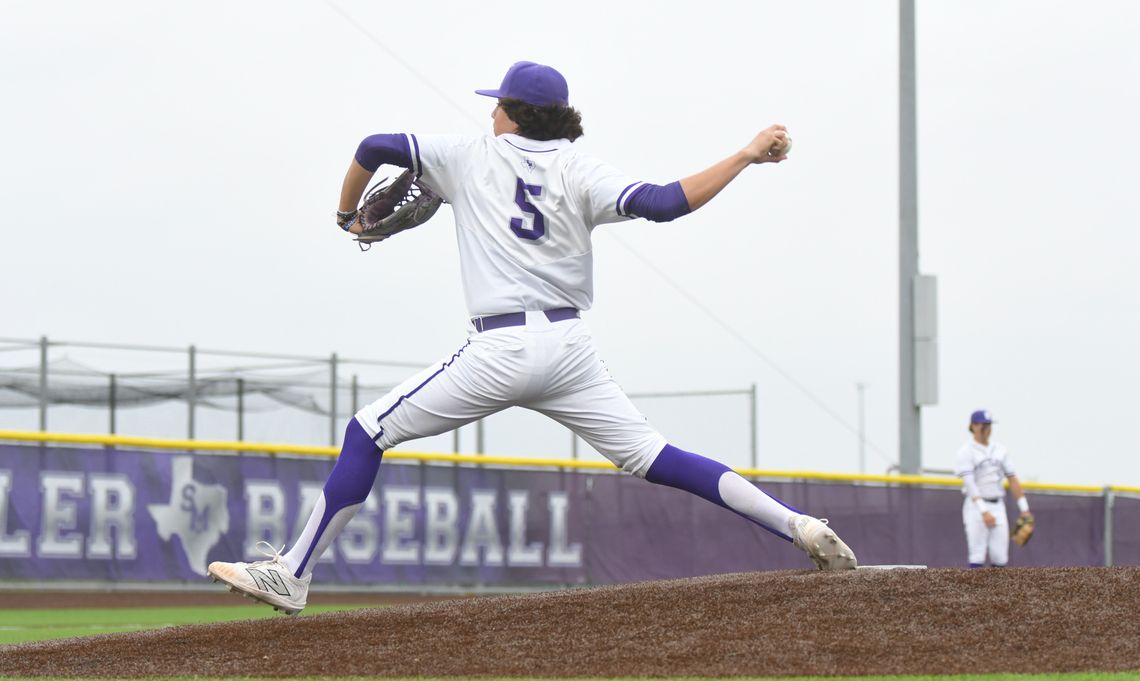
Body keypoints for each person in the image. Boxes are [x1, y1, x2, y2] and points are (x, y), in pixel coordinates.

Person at [207, 61, 857, 614]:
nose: (491, 116)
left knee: (368, 430)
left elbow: (374, 144)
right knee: (654, 455)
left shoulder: (467, 154)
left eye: (498, 106)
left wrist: (348, 213)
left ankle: (292, 572)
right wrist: (745, 154)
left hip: (499, 348)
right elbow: (663, 202)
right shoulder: (580, 167)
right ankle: (796, 525)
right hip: (572, 351)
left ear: (513, 112)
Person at [954, 409, 1032, 567]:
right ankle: (975, 592)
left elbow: (1012, 478)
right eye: (983, 424)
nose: (987, 428)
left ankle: (997, 592)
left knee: (1000, 556)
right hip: (975, 507)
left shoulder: (1001, 450)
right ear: (973, 426)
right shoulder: (965, 452)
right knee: (977, 555)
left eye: (989, 425)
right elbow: (970, 484)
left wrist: (1025, 509)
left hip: (998, 505)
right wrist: (983, 510)